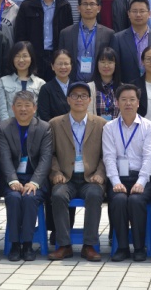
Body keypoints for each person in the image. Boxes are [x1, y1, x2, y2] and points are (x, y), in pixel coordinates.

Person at [47, 83, 106, 262]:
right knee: (58, 195)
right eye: (74, 95)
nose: (79, 99)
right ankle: (64, 245)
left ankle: (89, 245)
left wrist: (100, 173)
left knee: (95, 195)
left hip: (91, 178)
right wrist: (56, 172)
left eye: (83, 96)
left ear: (89, 100)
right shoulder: (55, 124)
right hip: (66, 177)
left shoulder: (101, 124)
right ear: (68, 100)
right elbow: (49, 154)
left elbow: (107, 155)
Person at [100, 85, 151, 262]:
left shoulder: (149, 127)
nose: (128, 103)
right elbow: (109, 157)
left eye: (132, 100)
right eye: (123, 100)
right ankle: (122, 248)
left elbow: (149, 158)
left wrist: (141, 182)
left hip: (142, 177)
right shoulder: (109, 127)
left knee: (136, 200)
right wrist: (115, 182)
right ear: (117, 103)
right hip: (119, 177)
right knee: (118, 200)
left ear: (138, 103)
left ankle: (139, 248)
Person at [0, 90, 53, 262]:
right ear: (12, 108)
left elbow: (45, 159)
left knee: (30, 198)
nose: (23, 109)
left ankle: (28, 244)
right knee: (14, 198)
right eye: (19, 105)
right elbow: (4, 157)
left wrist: (34, 182)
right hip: (12, 179)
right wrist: (12, 180)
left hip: (35, 179)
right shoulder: (3, 127)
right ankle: (15, 244)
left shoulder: (44, 128)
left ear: (34, 108)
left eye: (27, 105)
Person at [13, 0, 74, 82]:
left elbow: (68, 36)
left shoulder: (64, 6)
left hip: (57, 57)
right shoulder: (27, 6)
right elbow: (20, 35)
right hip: (33, 57)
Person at [57, 0, 115, 84]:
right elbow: (60, 60)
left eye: (92, 4)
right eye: (85, 4)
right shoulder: (66, 33)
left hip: (98, 84)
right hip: (72, 84)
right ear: (78, 8)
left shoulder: (108, 34)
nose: (88, 7)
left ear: (99, 8)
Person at [112, 0, 151, 84]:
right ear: (128, 14)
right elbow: (115, 68)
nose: (138, 15)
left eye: (142, 11)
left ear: (149, 14)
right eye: (134, 11)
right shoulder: (118, 39)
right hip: (127, 87)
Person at [0, 41, 46, 121]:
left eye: (25, 56)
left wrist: (36, 127)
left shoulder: (40, 83)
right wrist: (7, 127)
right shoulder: (3, 81)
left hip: (34, 127)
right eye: (17, 56)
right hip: (9, 126)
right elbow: (2, 110)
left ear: (31, 58)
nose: (21, 60)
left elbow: (41, 112)